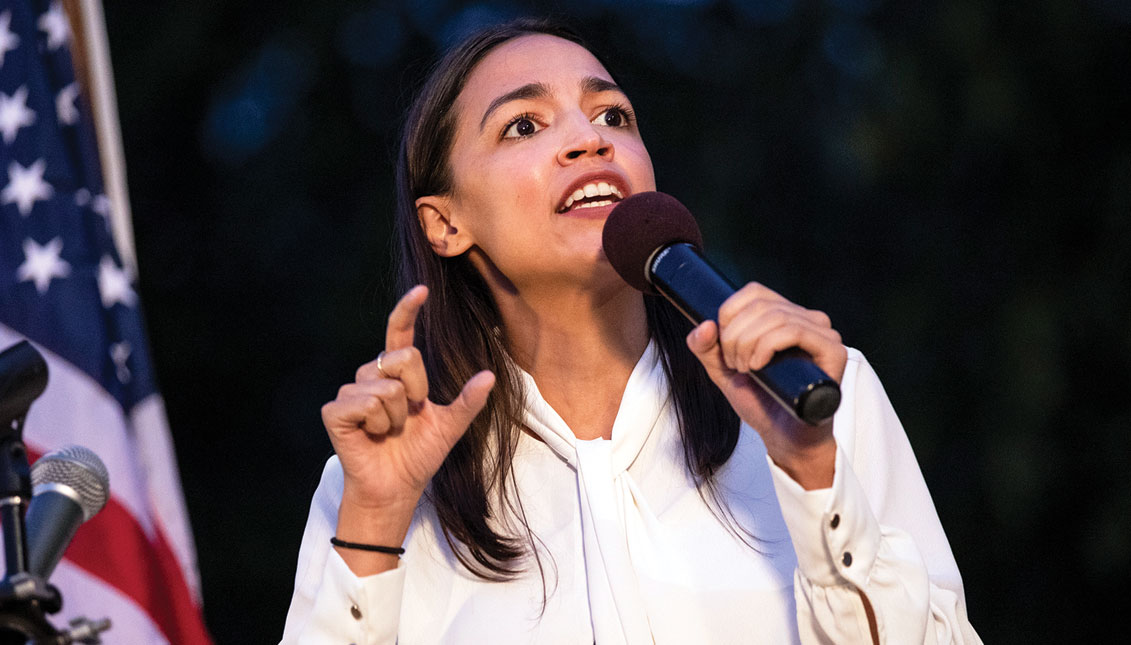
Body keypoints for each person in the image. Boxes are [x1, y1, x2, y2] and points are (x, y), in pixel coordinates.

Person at [281, 18, 980, 645]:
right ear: (445, 222)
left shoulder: (813, 388)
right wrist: (373, 525)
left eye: (613, 115)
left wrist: (814, 474)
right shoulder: (378, 484)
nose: (589, 140)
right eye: (524, 125)